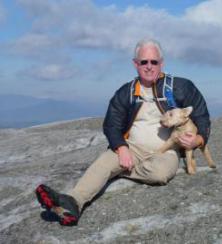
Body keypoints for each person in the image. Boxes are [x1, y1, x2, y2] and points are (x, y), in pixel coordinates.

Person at [35, 39, 211, 226]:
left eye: (154, 62)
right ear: (136, 64)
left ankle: (118, 172)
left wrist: (198, 139)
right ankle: (71, 203)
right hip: (131, 148)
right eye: (144, 62)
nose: (149, 66)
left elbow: (201, 115)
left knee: (160, 174)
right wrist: (120, 147)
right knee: (104, 163)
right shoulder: (125, 92)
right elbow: (112, 124)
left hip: (166, 150)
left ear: (162, 63)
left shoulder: (181, 87)